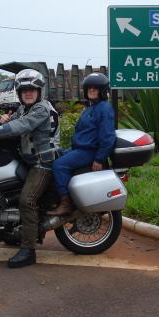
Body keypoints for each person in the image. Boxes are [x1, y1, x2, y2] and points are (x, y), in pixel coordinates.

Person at [0, 68, 60, 268]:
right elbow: (11, 122)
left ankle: (28, 251)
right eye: (24, 90)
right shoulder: (24, 108)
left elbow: (19, 126)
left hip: (43, 163)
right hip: (28, 161)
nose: (28, 93)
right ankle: (12, 229)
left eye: (31, 89)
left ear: (39, 91)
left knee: (27, 200)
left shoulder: (41, 109)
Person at [48, 73, 116, 216]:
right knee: (53, 155)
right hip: (79, 149)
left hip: (89, 152)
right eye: (89, 87)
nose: (91, 90)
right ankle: (52, 198)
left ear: (102, 90)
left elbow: (108, 136)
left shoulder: (104, 108)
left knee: (59, 165)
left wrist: (99, 159)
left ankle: (66, 203)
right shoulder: (90, 108)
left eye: (95, 88)